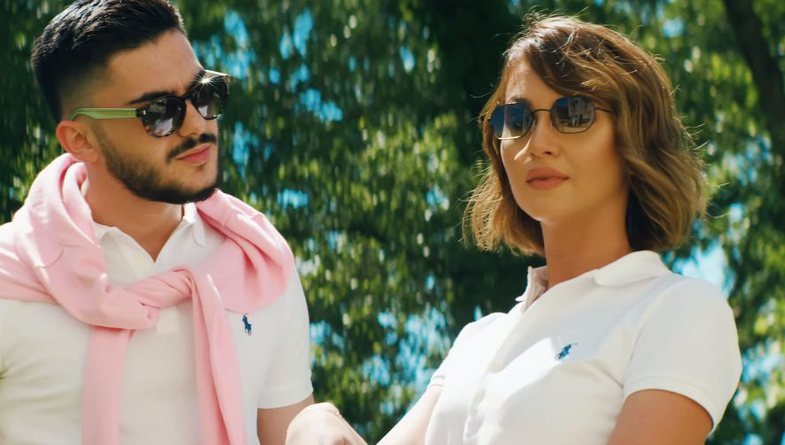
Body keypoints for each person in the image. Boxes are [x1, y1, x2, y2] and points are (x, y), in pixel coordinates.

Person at [285, 14, 742, 445]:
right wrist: (313, 420)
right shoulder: (477, 340)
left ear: (633, 136)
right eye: (518, 120)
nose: (537, 143)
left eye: (574, 113)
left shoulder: (677, 309)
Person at [0, 1, 315, 444]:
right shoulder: (9, 279)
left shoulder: (258, 263)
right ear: (81, 139)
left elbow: (290, 433)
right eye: (160, 112)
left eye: (204, 93)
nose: (197, 124)